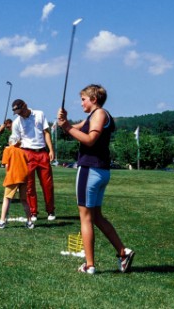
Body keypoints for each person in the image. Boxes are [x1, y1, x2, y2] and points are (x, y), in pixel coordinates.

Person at [57, 84, 135, 274]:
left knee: (85, 218)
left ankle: (90, 265)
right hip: (99, 171)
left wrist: (66, 125)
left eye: (83, 99)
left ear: (93, 99)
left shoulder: (99, 114)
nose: (81, 102)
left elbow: (90, 139)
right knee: (97, 217)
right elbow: (75, 130)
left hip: (90, 170)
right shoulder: (93, 117)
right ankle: (123, 253)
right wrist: (64, 123)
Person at [10, 99, 55, 221]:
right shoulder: (16, 122)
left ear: (25, 106)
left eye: (21, 111)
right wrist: (15, 143)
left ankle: (50, 211)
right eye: (17, 113)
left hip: (42, 152)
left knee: (47, 184)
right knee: (29, 186)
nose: (20, 114)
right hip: (27, 153)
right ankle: (33, 212)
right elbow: (15, 141)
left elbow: (46, 132)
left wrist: (51, 150)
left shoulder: (39, 114)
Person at [0, 135, 34, 229]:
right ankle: (30, 222)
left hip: (13, 177)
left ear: (10, 141)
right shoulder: (23, 151)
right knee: (24, 200)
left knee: (6, 198)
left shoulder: (8, 150)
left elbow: (6, 165)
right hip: (24, 177)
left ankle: (2, 222)